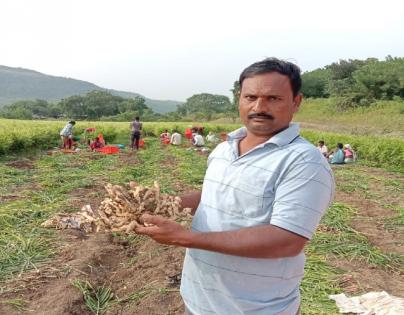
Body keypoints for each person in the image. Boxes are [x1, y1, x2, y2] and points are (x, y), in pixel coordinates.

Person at [135, 58, 334, 315]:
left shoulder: (304, 161)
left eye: (273, 98)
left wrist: (187, 238)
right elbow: (214, 196)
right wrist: (166, 204)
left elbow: (287, 240)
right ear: (239, 99)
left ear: (296, 102)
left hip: (255, 309)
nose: (259, 107)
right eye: (250, 97)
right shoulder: (222, 149)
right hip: (197, 301)